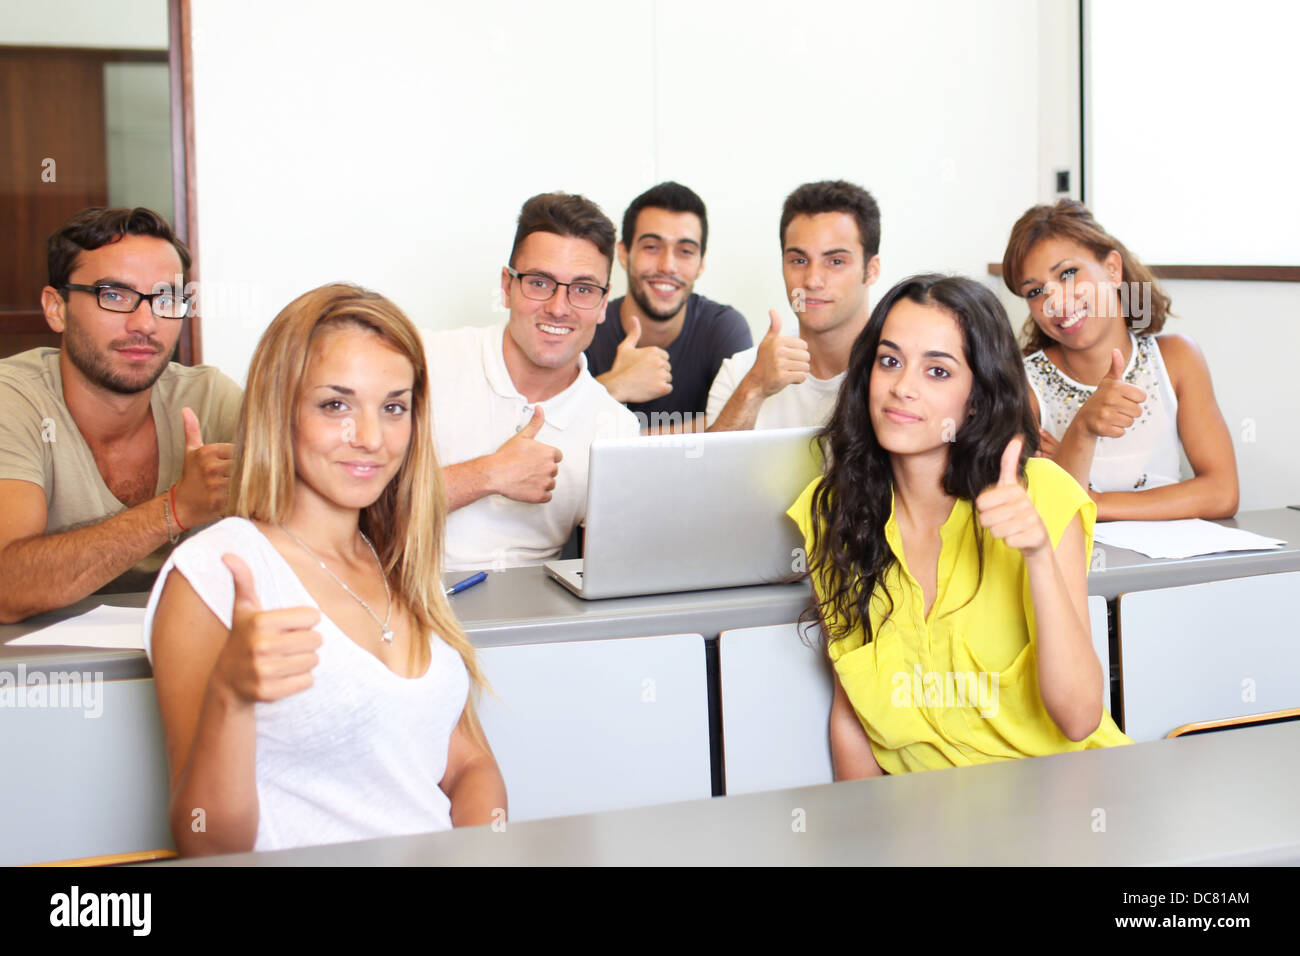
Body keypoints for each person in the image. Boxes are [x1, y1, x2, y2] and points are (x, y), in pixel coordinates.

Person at [144, 283, 504, 855]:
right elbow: (205, 843)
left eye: (393, 407)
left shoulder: (399, 561)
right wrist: (230, 698)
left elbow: (469, 764)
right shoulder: (216, 571)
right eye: (335, 404)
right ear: (279, 409)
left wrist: (489, 850)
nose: (370, 438)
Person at [787, 274, 1130, 777]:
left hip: (1064, 798)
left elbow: (1078, 719)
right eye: (890, 361)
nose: (902, 387)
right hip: (930, 826)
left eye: (938, 372)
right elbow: (851, 714)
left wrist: (1036, 555)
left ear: (977, 397)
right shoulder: (831, 509)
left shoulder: (1042, 493)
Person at [0, 207, 241, 622]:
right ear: (56, 308)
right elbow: (8, 588)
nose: (145, 323)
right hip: (29, 676)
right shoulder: (15, 400)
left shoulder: (208, 398)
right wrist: (175, 508)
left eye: (165, 299)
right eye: (114, 295)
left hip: (175, 657)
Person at [429, 192, 641, 571]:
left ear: (603, 303)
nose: (559, 308)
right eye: (540, 282)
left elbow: (611, 577)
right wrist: (489, 474)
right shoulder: (429, 362)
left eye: (582, 289)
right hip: (404, 604)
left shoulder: (615, 427)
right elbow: (363, 505)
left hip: (534, 620)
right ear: (507, 286)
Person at [1001, 199, 1238, 520]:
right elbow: (1047, 511)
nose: (1054, 300)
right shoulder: (1024, 386)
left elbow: (1222, 492)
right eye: (1035, 291)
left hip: (1171, 563)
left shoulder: (1177, 359)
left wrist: (1094, 500)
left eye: (1068, 273)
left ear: (1113, 269)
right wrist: (1082, 427)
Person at [707, 180, 881, 430]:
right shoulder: (740, 373)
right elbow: (712, 469)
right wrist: (754, 387)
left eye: (835, 261)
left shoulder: (900, 375)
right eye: (799, 260)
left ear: (871, 270)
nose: (812, 280)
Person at [584, 182, 751, 428]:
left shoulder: (722, 328)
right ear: (623, 253)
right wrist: (613, 386)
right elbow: (546, 431)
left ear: (701, 263)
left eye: (685, 251)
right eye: (652, 247)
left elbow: (742, 432)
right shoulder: (585, 326)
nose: (667, 266)